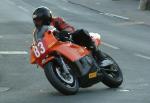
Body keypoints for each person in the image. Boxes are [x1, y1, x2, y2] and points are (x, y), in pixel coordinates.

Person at [32, 6, 112, 67]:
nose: (37, 23)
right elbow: (36, 42)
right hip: (54, 47)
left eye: (39, 21)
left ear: (46, 18)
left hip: (68, 40)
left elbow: (69, 28)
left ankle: (101, 57)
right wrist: (34, 49)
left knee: (81, 32)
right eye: (35, 21)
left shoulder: (56, 20)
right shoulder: (36, 32)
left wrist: (64, 32)